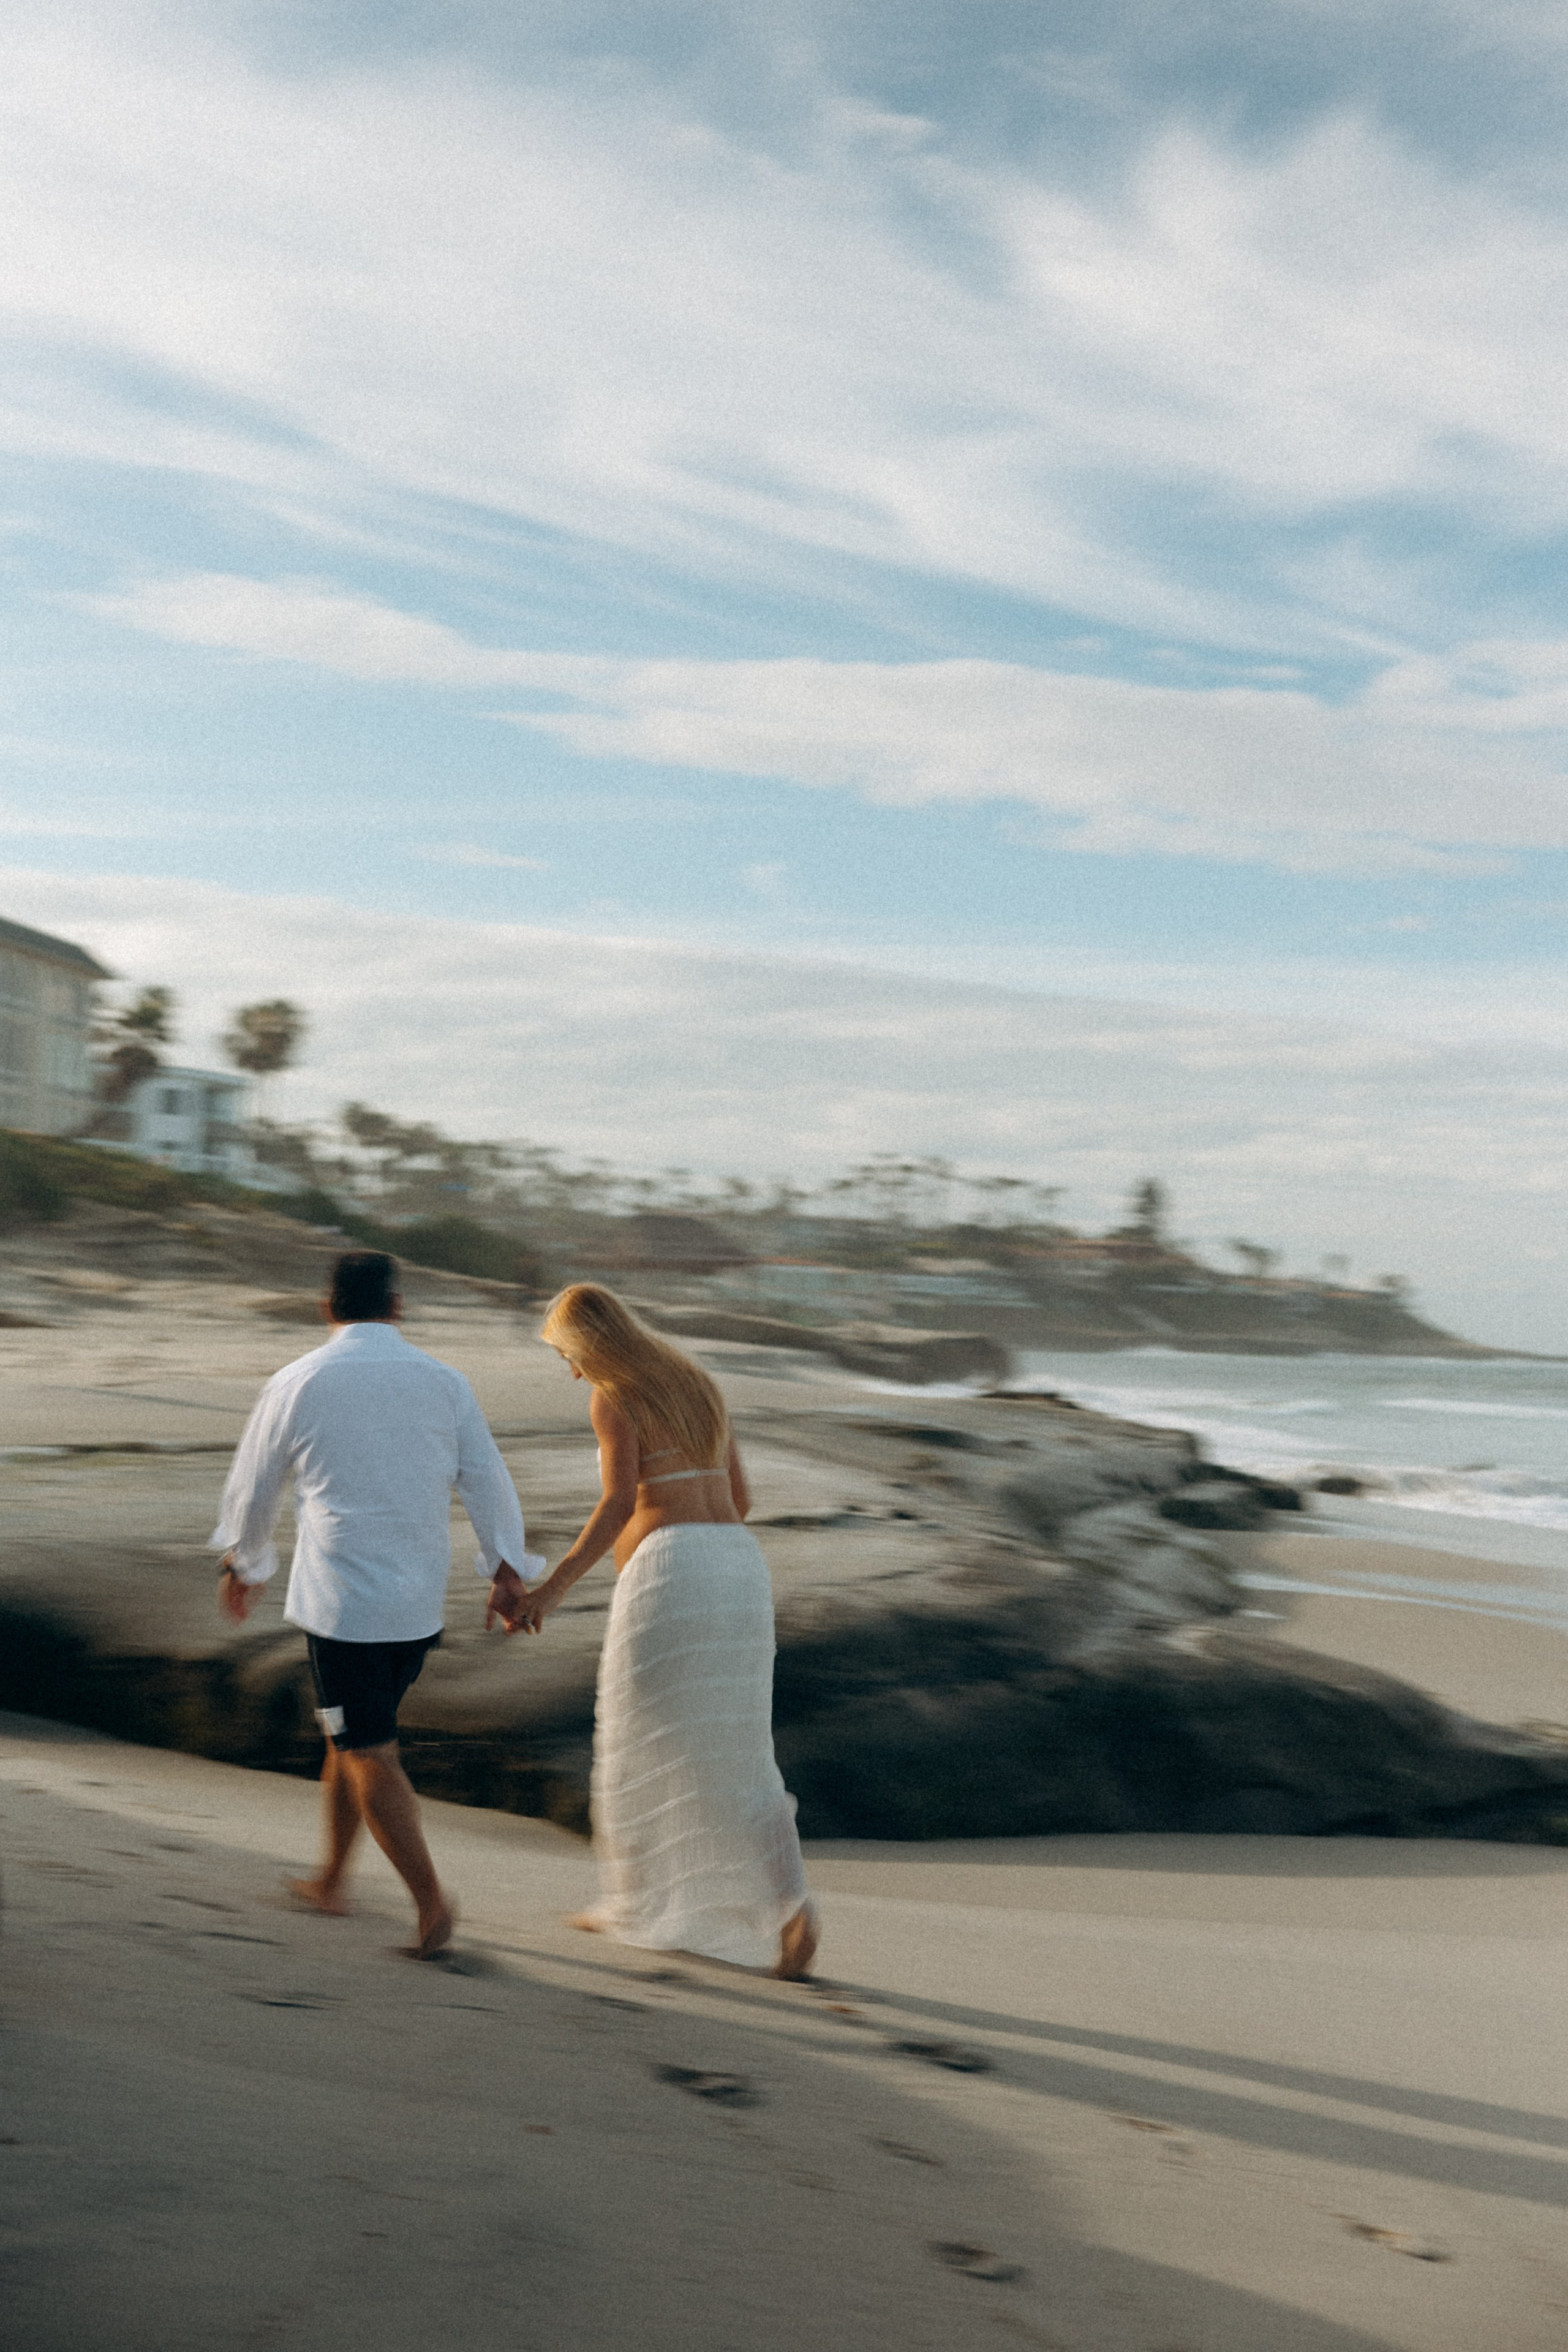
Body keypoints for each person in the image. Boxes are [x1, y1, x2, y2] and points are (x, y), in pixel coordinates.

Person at [212, 1250, 544, 1958]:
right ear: (397, 1307)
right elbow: (487, 1479)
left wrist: (244, 1563)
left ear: (328, 1307)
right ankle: (331, 1880)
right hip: (417, 1606)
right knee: (352, 1737)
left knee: (367, 1748)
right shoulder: (444, 1382)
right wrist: (506, 1570)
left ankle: (430, 1905)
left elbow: (255, 1482)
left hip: (345, 1605)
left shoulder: (298, 1380)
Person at [499, 1282, 818, 1980]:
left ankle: (634, 1904)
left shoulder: (614, 1395)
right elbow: (742, 1499)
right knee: (743, 1751)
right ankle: (793, 1912)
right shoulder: (696, 1383)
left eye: (568, 1356)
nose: (572, 1372)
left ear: (588, 1346)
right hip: (739, 1567)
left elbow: (618, 1502)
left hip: (672, 1573)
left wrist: (551, 1588)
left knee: (632, 1733)